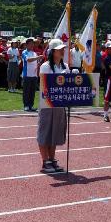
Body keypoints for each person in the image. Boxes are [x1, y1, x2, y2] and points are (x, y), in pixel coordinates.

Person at [37, 39, 70, 173]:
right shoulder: (45, 66)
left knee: (55, 132)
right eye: (60, 49)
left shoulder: (65, 66)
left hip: (60, 103)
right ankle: (45, 161)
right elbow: (45, 84)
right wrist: (59, 78)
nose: (63, 50)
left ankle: (52, 158)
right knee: (45, 131)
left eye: (63, 48)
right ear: (52, 51)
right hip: (47, 103)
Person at [21, 38, 40, 111]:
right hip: (27, 74)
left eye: (33, 43)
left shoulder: (34, 53)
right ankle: (26, 105)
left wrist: (38, 63)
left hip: (34, 75)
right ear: (27, 44)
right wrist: (38, 57)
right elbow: (28, 60)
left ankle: (31, 105)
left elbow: (35, 62)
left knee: (32, 91)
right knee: (26, 91)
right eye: (31, 43)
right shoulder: (24, 52)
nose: (32, 45)